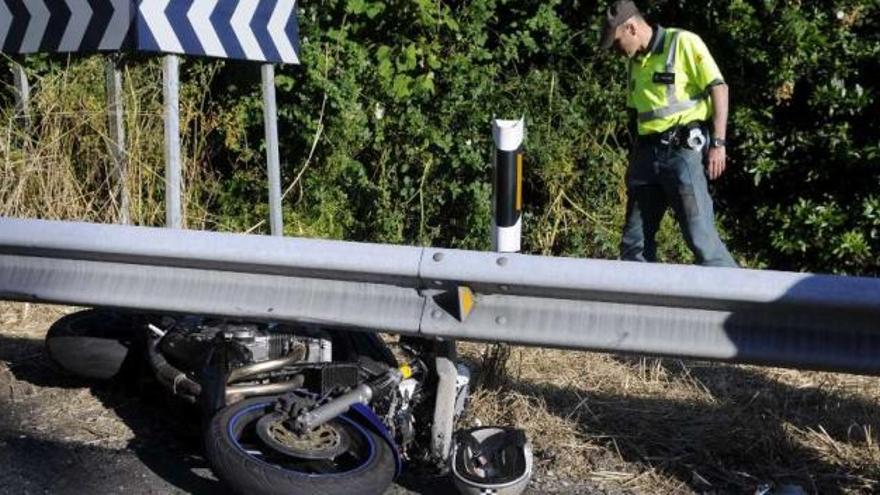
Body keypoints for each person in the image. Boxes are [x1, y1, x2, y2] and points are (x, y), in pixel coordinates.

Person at [600, 0, 738, 267]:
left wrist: (718, 144)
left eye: (617, 42)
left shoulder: (683, 42)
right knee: (634, 244)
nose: (616, 50)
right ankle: (640, 306)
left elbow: (719, 88)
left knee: (701, 238)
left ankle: (741, 302)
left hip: (681, 153)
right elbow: (637, 114)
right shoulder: (634, 63)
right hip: (646, 155)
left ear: (631, 28)